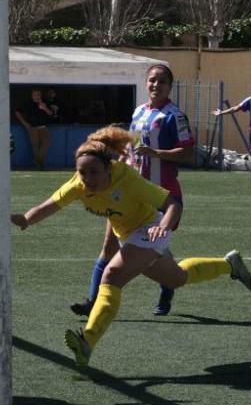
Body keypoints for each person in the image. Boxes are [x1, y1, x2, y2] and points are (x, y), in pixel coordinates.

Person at [11, 126, 251, 367]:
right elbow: (50, 205)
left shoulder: (127, 180)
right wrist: (25, 219)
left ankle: (88, 340)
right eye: (82, 172)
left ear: (109, 167)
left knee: (113, 274)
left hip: (150, 229)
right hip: (128, 235)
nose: (87, 179)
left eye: (93, 172)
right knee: (177, 278)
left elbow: (172, 204)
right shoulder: (79, 184)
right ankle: (229, 265)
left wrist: (164, 226)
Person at [71, 63, 194, 318]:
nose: (155, 85)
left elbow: (188, 153)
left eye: (161, 81)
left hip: (162, 195)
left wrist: (155, 153)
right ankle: (93, 302)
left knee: (152, 254)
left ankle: (168, 285)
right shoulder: (139, 112)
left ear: (170, 86)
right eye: (152, 80)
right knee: (109, 244)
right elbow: (132, 150)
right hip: (130, 192)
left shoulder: (175, 116)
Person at [14, 88, 54, 170]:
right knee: (35, 146)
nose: (36, 97)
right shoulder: (28, 103)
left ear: (41, 95)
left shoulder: (45, 103)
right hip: (32, 128)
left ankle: (38, 161)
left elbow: (51, 114)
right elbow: (17, 111)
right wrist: (24, 123)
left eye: (38, 95)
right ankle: (40, 165)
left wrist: (44, 108)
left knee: (45, 145)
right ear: (32, 95)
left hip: (43, 127)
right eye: (35, 95)